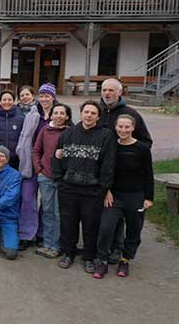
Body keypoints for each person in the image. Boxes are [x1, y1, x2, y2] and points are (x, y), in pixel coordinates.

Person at [53, 101, 116, 273]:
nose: (88, 115)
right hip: (68, 188)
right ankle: (69, 253)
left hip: (92, 190)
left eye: (93, 113)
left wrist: (103, 188)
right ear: (81, 114)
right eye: (86, 112)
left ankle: (89, 256)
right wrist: (60, 180)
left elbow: (108, 165)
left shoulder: (106, 136)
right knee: (68, 223)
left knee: (91, 225)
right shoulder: (68, 133)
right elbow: (57, 157)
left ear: (98, 116)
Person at [93, 114, 154, 279]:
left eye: (127, 127)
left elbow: (148, 174)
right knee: (106, 228)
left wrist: (149, 198)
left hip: (136, 195)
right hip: (114, 195)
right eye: (120, 126)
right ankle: (102, 261)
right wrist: (106, 190)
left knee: (134, 230)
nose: (123, 130)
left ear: (133, 128)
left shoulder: (142, 148)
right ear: (115, 127)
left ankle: (125, 260)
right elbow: (103, 170)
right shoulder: (111, 146)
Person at [16, 83, 58, 249]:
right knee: (27, 199)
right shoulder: (33, 115)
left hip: (49, 167)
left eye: (47, 96)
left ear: (53, 97)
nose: (44, 99)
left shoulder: (59, 114)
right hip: (31, 165)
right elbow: (24, 137)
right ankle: (27, 234)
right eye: (42, 96)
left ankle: (42, 233)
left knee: (47, 203)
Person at [32, 104, 73, 258]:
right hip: (45, 176)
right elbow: (36, 150)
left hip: (63, 178)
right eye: (56, 113)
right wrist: (39, 169)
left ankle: (56, 245)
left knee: (58, 213)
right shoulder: (45, 130)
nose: (58, 115)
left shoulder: (71, 132)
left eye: (62, 113)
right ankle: (47, 243)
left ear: (67, 116)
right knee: (47, 211)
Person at [99, 78, 152, 147]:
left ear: (120, 92)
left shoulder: (131, 114)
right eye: (104, 90)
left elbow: (146, 141)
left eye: (111, 90)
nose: (107, 93)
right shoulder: (95, 112)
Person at [0, 91, 24, 169]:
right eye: (4, 100)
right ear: (0, 102)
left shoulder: (21, 119)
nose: (7, 102)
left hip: (15, 161)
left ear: (14, 101)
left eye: (9, 100)